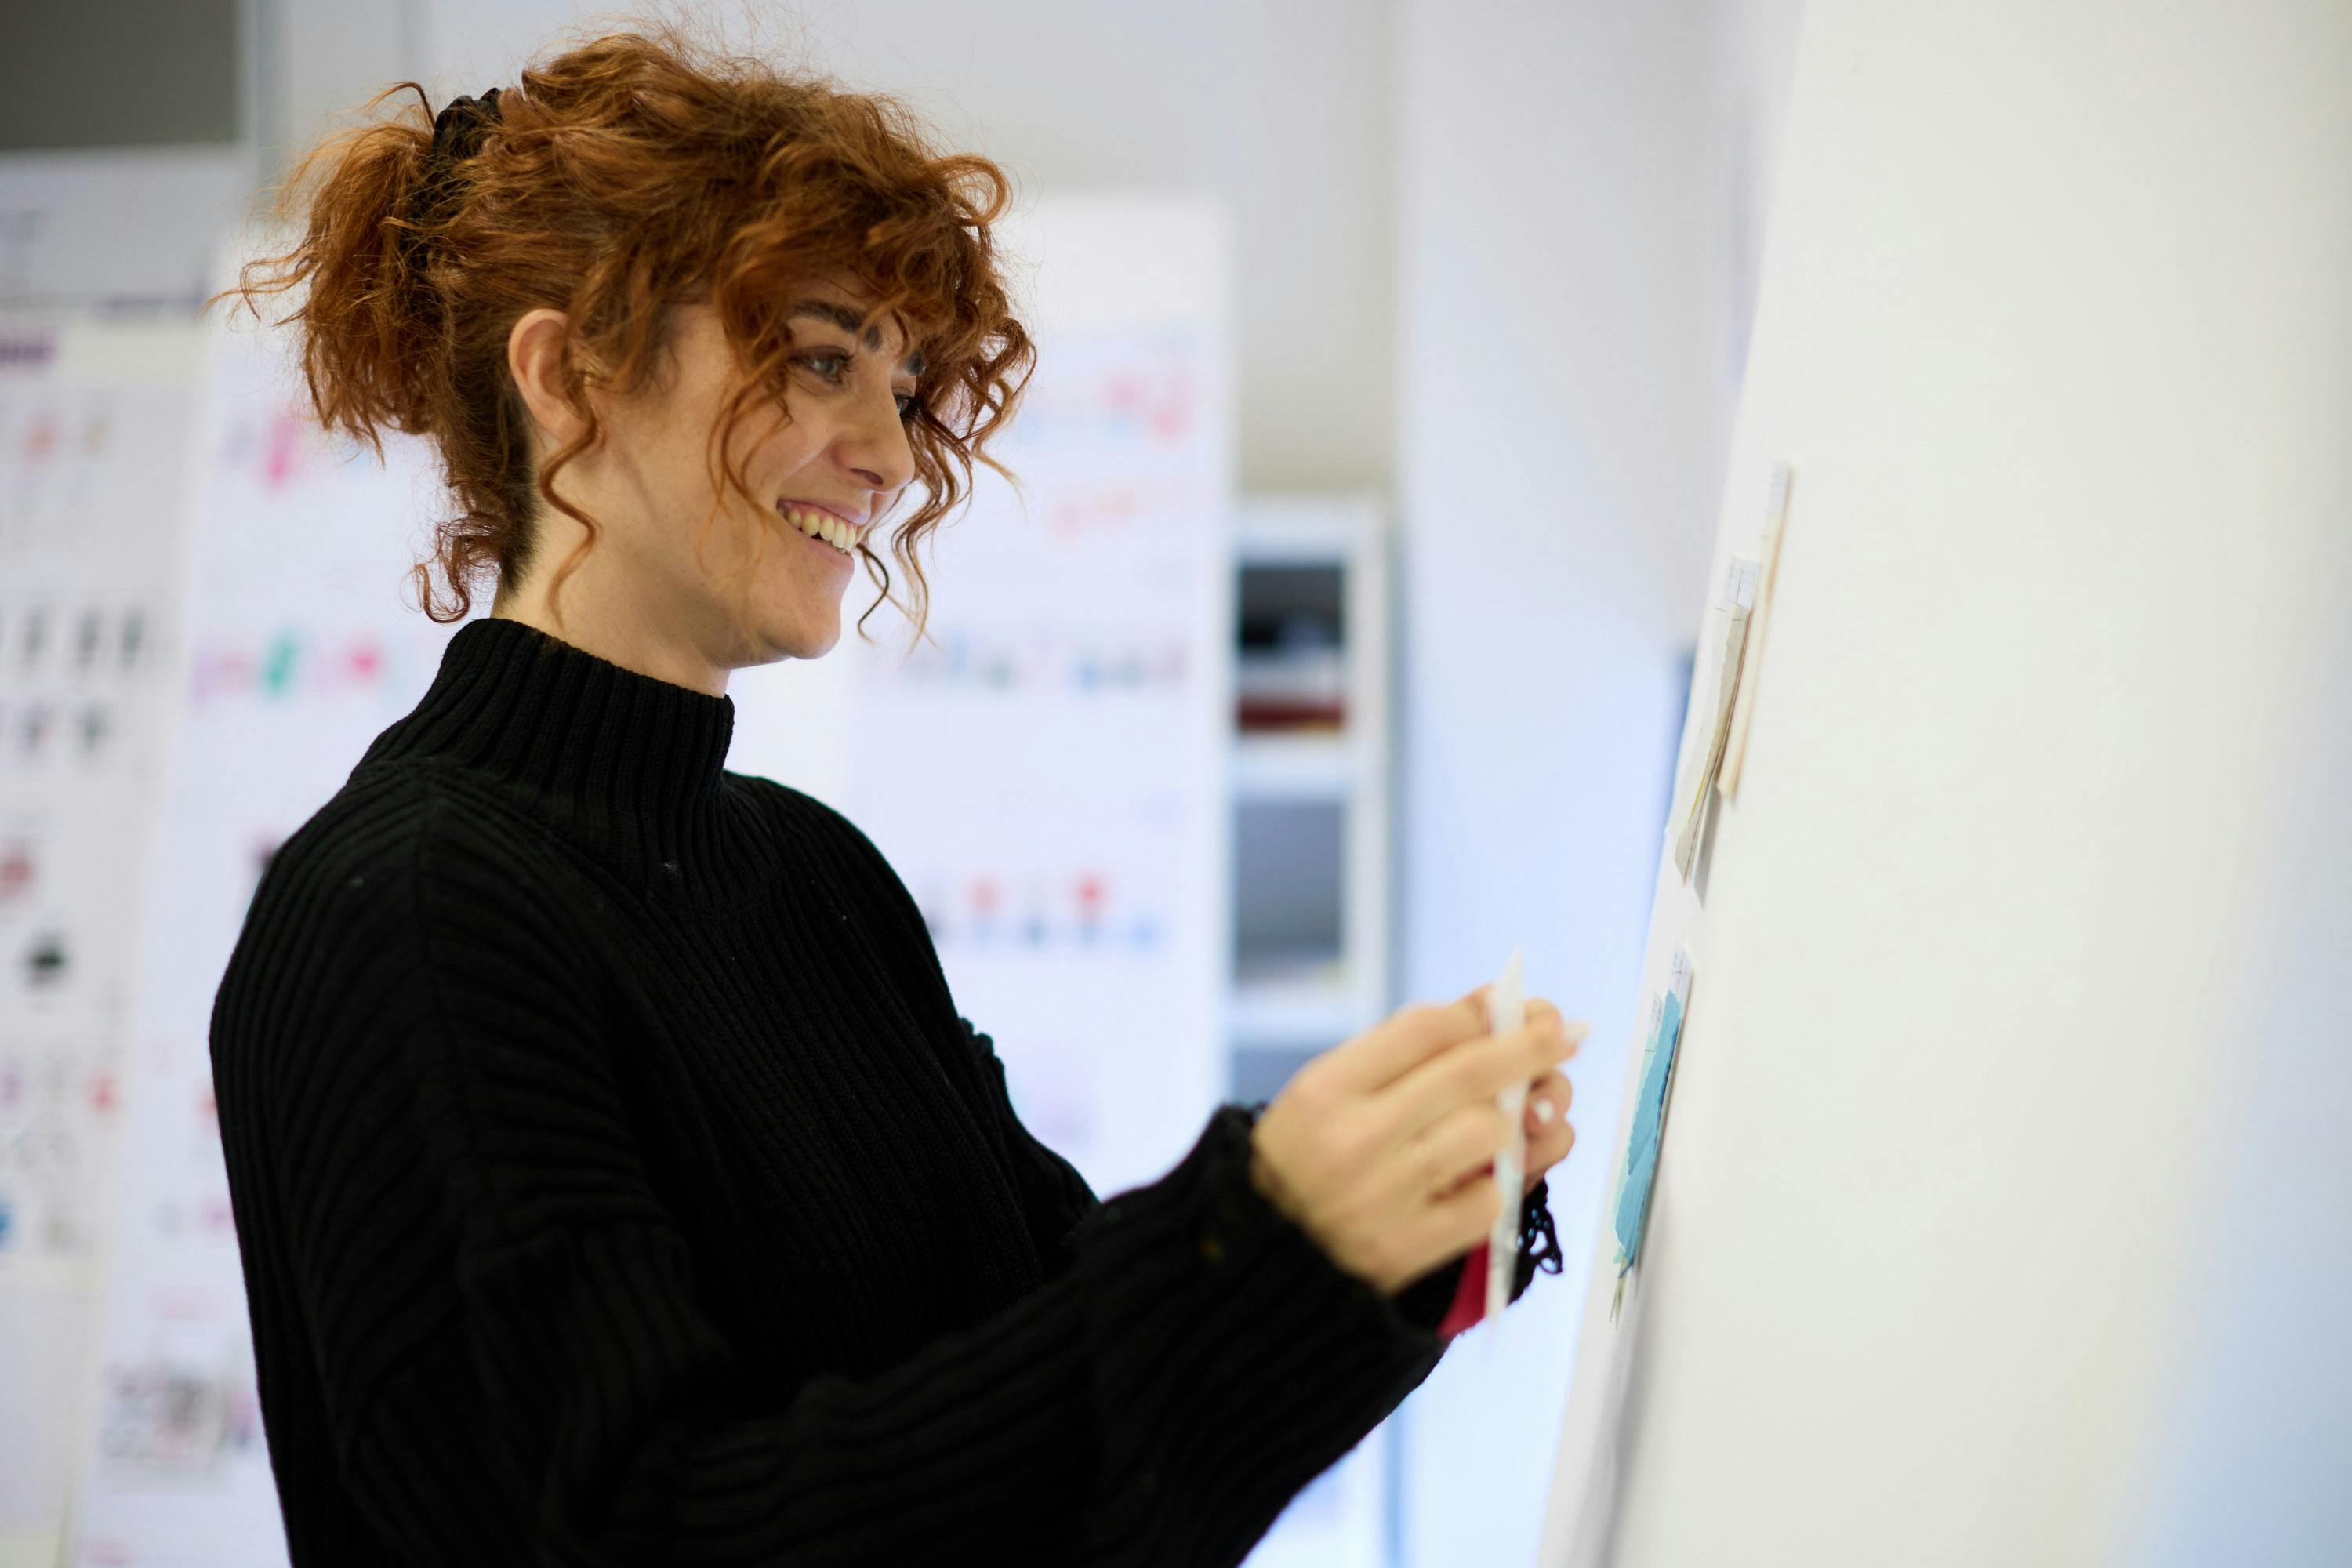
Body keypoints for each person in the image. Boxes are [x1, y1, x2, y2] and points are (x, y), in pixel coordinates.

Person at [206, 24, 1581, 1567]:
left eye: (903, 378)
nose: (885, 453)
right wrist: (1260, 1242)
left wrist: (1384, 1232)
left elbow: (1046, 1356)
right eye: (817, 357)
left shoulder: (810, 878)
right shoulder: (399, 919)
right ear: (568, 376)